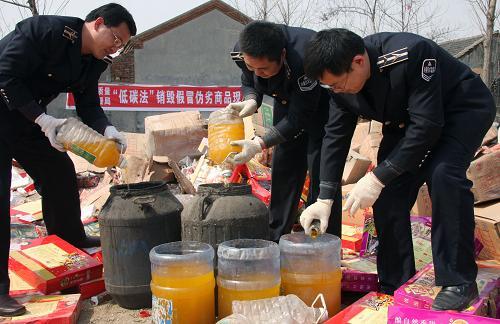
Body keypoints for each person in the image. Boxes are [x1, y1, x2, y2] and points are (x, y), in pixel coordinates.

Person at [301, 28, 495, 311]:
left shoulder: (409, 54)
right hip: (406, 123)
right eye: (330, 87)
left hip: (461, 110)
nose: (337, 90)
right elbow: (335, 136)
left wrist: (378, 177)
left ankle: (458, 281)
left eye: (338, 84)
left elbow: (428, 126)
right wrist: (325, 197)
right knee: (389, 194)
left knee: (444, 176)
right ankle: (394, 282)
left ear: (358, 61)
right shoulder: (339, 84)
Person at [0, 3, 136, 316]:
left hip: (27, 121)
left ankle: (69, 240)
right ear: (98, 23)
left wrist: (109, 129)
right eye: (114, 39)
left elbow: (88, 105)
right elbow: (5, 75)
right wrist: (44, 120)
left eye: (121, 45)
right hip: (14, 110)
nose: (115, 48)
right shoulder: (46, 30)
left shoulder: (92, 63)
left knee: (59, 172)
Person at [226, 21, 342, 242]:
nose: (258, 73)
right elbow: (247, 78)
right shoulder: (243, 51)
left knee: (321, 171)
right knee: (285, 168)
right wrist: (252, 98)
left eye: (264, 69)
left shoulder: (306, 57)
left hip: (323, 106)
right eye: (253, 67)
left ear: (282, 55)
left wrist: (259, 143)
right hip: (287, 100)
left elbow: (300, 117)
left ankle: (326, 243)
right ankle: (276, 238)